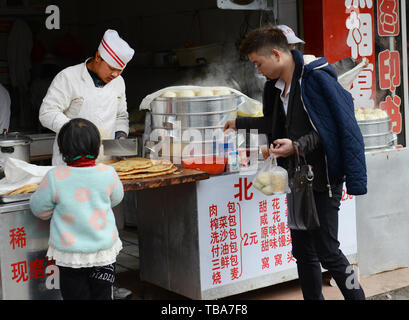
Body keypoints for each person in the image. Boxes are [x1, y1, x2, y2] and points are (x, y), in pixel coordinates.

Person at [224, 25, 367, 300]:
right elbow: (273, 122)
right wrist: (239, 123)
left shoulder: (316, 79)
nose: (257, 70)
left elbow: (332, 129)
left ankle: (357, 296)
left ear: (276, 54)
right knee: (303, 252)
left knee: (329, 250)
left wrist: (297, 146)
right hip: (297, 180)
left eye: (258, 63)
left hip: (324, 179)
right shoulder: (274, 87)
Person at [30, 118, 124, 300]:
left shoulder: (55, 176)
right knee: (103, 295)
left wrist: (57, 211)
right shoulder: (108, 173)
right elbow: (117, 198)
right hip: (102, 253)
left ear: (63, 150)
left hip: (70, 256)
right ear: (97, 147)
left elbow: (38, 209)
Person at [39, 29, 135, 166]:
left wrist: (121, 136)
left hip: (107, 164)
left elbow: (120, 116)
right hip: (71, 161)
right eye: (111, 68)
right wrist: (77, 131)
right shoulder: (68, 77)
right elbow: (46, 113)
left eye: (120, 70)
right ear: (98, 57)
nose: (115, 74)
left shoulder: (119, 82)